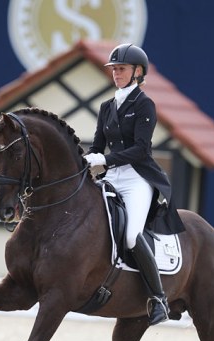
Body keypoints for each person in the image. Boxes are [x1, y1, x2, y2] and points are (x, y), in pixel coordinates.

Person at [84, 43, 182, 326]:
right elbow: (98, 145)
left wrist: (104, 159)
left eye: (121, 69)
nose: (116, 73)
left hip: (137, 178)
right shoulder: (106, 107)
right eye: (113, 69)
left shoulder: (144, 104)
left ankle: (159, 299)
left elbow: (141, 149)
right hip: (111, 176)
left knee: (130, 235)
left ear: (138, 72)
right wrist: (85, 159)